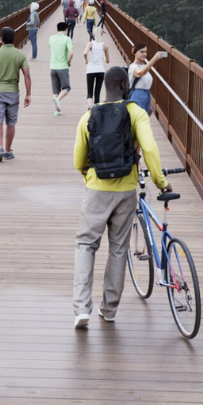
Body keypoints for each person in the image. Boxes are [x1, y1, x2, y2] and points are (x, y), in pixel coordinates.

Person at [71, 67, 169, 330]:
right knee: (118, 249)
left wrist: (88, 176)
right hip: (125, 191)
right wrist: (161, 181)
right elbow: (148, 147)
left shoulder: (88, 115)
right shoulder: (136, 112)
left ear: (105, 86)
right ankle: (109, 309)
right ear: (125, 84)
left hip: (96, 188)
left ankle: (81, 308)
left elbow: (78, 159)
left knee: (86, 245)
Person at [0, 26, 32, 163]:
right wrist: (28, 94)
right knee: (11, 122)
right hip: (13, 92)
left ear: (1, 39)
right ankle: (8, 151)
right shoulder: (20, 55)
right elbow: (27, 75)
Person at [128, 42, 167, 115]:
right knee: (138, 120)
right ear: (134, 53)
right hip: (137, 94)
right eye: (141, 52)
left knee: (143, 121)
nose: (144, 54)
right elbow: (140, 73)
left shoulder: (144, 66)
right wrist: (154, 59)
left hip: (147, 94)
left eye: (145, 52)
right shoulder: (133, 66)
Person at [46, 22, 75, 116]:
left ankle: (57, 110)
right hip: (62, 67)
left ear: (57, 29)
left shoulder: (51, 38)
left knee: (55, 90)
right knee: (66, 88)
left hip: (53, 67)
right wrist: (69, 61)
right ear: (66, 29)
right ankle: (57, 99)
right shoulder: (67, 39)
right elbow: (71, 52)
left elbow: (50, 48)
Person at [84, 35, 108, 103]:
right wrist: (104, 57)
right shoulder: (105, 46)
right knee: (97, 93)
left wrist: (86, 60)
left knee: (89, 92)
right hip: (101, 70)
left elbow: (85, 53)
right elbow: (107, 61)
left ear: (94, 35)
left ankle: (90, 108)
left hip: (90, 70)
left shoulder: (90, 44)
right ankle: (96, 110)